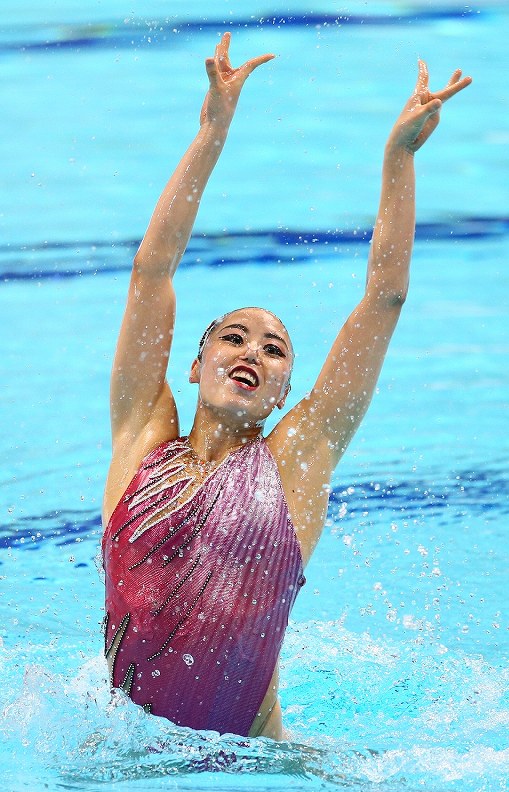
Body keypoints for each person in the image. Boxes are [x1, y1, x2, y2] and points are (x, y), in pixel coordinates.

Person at [101, 32, 471, 740]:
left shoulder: (296, 459)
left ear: (282, 394)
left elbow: (385, 299)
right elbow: (151, 271)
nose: (252, 352)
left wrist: (398, 159)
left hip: (259, 769)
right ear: (195, 364)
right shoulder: (140, 436)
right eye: (234, 337)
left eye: (274, 351)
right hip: (125, 762)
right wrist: (211, 132)